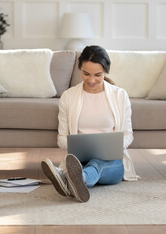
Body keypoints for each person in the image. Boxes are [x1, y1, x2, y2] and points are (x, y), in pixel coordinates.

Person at [41, 45, 138, 203]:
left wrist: (114, 147)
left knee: (97, 164)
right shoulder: (68, 97)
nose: (91, 80)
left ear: (106, 71)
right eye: (86, 74)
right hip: (78, 161)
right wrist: (76, 147)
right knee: (87, 164)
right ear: (80, 69)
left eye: (98, 75)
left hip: (111, 163)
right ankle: (78, 180)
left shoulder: (120, 95)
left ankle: (71, 178)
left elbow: (128, 135)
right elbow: (61, 138)